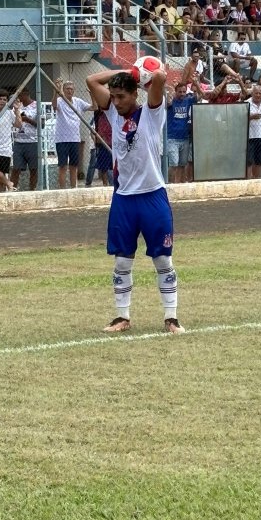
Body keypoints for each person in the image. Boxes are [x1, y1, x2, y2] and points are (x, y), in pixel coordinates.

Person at [86, 67, 184, 335]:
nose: (116, 102)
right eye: (113, 96)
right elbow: (91, 80)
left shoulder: (151, 113)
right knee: (122, 261)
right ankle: (122, 316)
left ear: (135, 94)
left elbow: (160, 77)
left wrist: (138, 73)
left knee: (163, 260)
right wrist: (125, 71)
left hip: (153, 196)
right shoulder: (112, 113)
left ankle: (171, 318)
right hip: (124, 199)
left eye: (121, 96)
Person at [52, 79, 94, 189]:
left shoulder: (78, 102)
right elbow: (54, 106)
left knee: (74, 166)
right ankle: (62, 189)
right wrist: (56, 91)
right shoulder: (60, 100)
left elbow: (94, 107)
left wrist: (92, 94)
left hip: (75, 138)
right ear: (63, 90)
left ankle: (73, 188)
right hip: (62, 139)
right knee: (62, 166)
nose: (69, 91)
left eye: (71, 89)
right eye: (67, 89)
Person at [166, 80, 201, 184]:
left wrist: (196, 84)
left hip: (185, 138)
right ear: (176, 92)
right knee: (173, 164)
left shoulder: (188, 101)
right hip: (172, 138)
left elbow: (201, 96)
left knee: (182, 164)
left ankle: (180, 184)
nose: (182, 94)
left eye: (184, 92)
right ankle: (171, 185)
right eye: (180, 92)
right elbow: (168, 101)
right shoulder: (171, 102)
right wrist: (172, 91)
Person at [11, 87, 39, 191]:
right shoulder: (17, 106)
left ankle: (32, 190)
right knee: (16, 169)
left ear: (26, 94)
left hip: (32, 141)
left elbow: (41, 124)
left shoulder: (36, 106)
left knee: (33, 169)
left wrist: (27, 119)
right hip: (18, 142)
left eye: (19, 95)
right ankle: (13, 189)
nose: (18, 97)